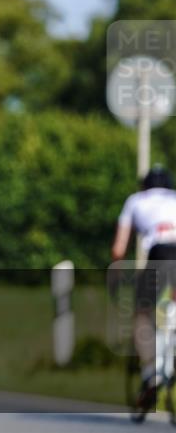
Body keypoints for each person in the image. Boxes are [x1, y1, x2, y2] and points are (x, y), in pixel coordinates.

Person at [111, 164, 176, 405]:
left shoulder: (135, 201)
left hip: (160, 255)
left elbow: (119, 248)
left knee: (142, 313)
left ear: (145, 185)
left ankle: (151, 375)